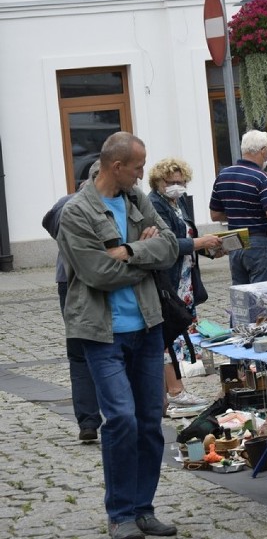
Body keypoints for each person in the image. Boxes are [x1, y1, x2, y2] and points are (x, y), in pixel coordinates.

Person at [57, 132, 179, 539]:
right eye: (138, 167)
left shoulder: (136, 200)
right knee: (122, 420)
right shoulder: (76, 212)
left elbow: (169, 248)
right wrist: (146, 256)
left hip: (147, 326)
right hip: (102, 332)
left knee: (149, 421)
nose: (143, 174)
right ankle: (121, 515)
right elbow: (96, 274)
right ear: (116, 167)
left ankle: (143, 509)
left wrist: (129, 252)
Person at [148, 157, 222, 410]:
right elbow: (167, 245)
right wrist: (200, 244)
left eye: (181, 182)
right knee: (170, 336)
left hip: (185, 279)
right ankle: (175, 391)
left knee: (178, 334)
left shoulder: (178, 203)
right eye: (171, 182)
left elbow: (189, 237)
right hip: (169, 281)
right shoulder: (155, 205)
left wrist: (210, 249)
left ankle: (169, 394)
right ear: (158, 181)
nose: (177, 186)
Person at [42, 161, 102, 442]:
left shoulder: (65, 203)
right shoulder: (101, 205)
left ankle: (88, 422)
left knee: (79, 353)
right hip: (85, 281)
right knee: (96, 350)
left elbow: (49, 222)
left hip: (66, 279)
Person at [209, 129, 267, 286]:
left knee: (243, 298)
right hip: (261, 243)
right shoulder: (261, 177)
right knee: (265, 297)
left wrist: (239, 211)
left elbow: (215, 215)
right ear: (263, 151)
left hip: (236, 242)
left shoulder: (223, 175)